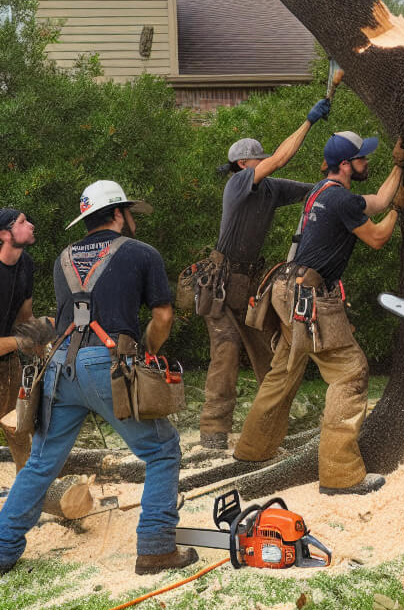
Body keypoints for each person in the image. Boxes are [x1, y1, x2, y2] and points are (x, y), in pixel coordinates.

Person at [0, 180, 195, 576]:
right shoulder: (142, 254)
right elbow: (163, 317)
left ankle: (3, 548)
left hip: (60, 365)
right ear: (118, 213)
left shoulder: (63, 258)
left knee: (40, 463)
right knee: (162, 450)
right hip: (107, 364)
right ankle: (156, 546)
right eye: (129, 213)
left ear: (88, 217)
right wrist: (147, 352)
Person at [233, 131, 404, 496]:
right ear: (346, 165)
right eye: (362, 159)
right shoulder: (341, 200)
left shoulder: (321, 192)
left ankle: (252, 450)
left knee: (283, 370)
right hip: (309, 296)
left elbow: (375, 200)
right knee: (350, 373)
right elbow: (376, 238)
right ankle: (341, 474)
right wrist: (398, 213)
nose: (366, 163)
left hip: (285, 287)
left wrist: (398, 168)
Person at [197, 96, 331, 450]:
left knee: (267, 354)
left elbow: (316, 194)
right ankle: (213, 432)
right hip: (221, 285)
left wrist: (332, 175)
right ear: (244, 164)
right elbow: (282, 157)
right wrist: (309, 121)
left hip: (250, 284)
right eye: (261, 158)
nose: (267, 162)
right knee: (225, 353)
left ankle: (272, 423)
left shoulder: (271, 188)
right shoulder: (238, 183)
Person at [0, 209, 37, 470]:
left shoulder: (26, 265)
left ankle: (30, 490)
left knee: (18, 427)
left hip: (7, 360)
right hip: (8, 347)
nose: (31, 225)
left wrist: (44, 342)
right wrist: (22, 342)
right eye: (23, 222)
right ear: (4, 234)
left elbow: (25, 320)